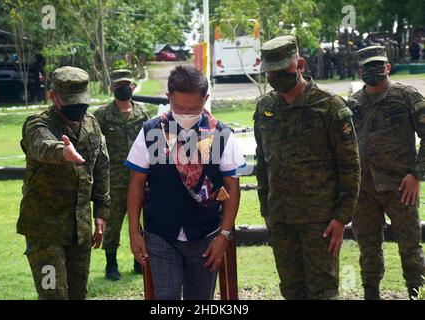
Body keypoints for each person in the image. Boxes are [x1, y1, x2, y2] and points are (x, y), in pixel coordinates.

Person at [254, 35, 361, 300]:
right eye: (270, 72)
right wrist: (266, 210)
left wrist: (341, 217)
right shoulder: (265, 107)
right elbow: (262, 162)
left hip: (320, 221)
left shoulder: (330, 106)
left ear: (300, 64)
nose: (275, 77)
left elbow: (350, 166)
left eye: (282, 71)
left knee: (322, 291)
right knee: (291, 290)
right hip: (281, 218)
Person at [126, 65, 245, 300]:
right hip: (161, 235)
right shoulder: (152, 132)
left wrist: (224, 235)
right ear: (168, 98)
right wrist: (134, 233)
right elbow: (136, 185)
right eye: (179, 108)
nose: (187, 114)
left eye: (195, 108)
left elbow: (230, 188)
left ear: (206, 99)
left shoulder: (221, 134)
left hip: (207, 235)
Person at [17, 66, 110, 300]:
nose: (77, 106)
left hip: (80, 229)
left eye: (80, 100)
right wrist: (62, 151)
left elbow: (101, 167)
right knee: (53, 295)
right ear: (53, 97)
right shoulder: (37, 124)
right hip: (45, 231)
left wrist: (101, 211)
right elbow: (41, 146)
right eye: (69, 101)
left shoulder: (91, 124)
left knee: (78, 293)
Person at [348, 46, 425, 300]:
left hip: (400, 188)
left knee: (410, 249)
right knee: (368, 249)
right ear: (359, 71)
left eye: (377, 66)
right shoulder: (353, 104)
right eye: (366, 67)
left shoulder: (406, 96)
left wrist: (417, 174)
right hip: (364, 192)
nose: (372, 71)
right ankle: (371, 294)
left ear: (388, 68)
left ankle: (417, 294)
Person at [94, 69, 150, 280]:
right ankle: (111, 264)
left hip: (140, 178)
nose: (123, 89)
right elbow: (96, 146)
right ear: (112, 89)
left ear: (133, 87)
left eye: (126, 85)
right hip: (114, 181)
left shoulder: (142, 113)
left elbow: (151, 143)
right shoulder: (102, 115)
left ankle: (139, 261)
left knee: (142, 223)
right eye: (118, 86)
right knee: (113, 225)